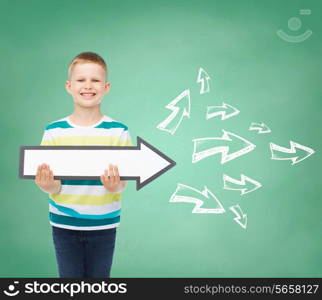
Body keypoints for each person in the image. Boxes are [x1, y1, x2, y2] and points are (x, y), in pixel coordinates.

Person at [34, 52, 132, 278]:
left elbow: (123, 183)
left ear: (106, 87)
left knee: (99, 284)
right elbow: (53, 185)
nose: (88, 86)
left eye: (95, 80)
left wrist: (115, 185)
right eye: (81, 80)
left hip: (104, 224)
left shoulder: (118, 131)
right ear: (69, 86)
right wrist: (48, 186)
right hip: (64, 224)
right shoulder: (54, 131)